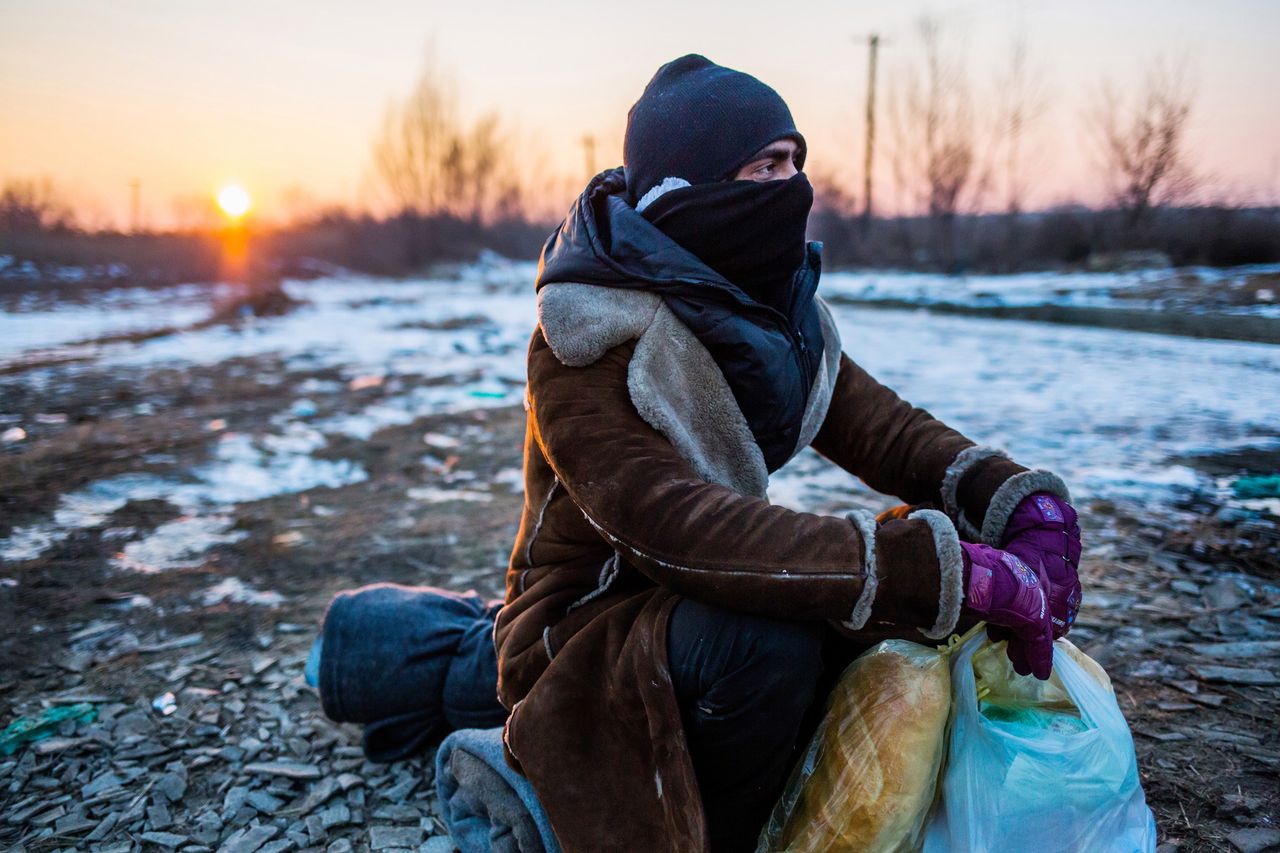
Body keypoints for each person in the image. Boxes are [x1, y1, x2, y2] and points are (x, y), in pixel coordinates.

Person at [494, 54, 1083, 853]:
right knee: (773, 638)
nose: (792, 188)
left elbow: (889, 430)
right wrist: (933, 571)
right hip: (585, 628)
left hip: (699, 600)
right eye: (765, 166)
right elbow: (673, 526)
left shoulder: (767, 318)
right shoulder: (585, 338)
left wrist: (1015, 499)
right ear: (687, 190)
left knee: (874, 600)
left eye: (795, 162)